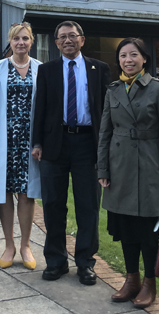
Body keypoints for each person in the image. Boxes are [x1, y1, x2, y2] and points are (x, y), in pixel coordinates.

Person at [97, 37, 159, 308]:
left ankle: (148, 283)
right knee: (125, 228)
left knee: (147, 231)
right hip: (119, 167)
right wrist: (103, 168)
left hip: (148, 166)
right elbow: (104, 133)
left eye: (133, 55)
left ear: (144, 59)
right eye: (123, 56)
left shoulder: (158, 89)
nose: (128, 60)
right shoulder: (113, 90)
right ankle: (131, 280)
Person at [31, 20, 110, 285]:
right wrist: (37, 142)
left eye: (72, 36)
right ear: (56, 43)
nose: (67, 40)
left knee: (88, 205)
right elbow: (39, 108)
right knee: (53, 205)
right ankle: (56, 261)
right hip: (55, 145)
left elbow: (106, 113)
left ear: (82, 39)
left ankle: (86, 263)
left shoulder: (100, 69)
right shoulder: (47, 70)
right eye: (62, 37)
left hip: (88, 145)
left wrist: (106, 148)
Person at [0, 22, 42, 270]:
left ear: (31, 41)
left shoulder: (40, 68)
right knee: (3, 193)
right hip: (1, 140)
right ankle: (9, 245)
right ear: (10, 42)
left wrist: (41, 141)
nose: (21, 43)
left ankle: (25, 245)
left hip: (29, 142)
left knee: (27, 193)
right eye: (16, 39)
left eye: (25, 38)